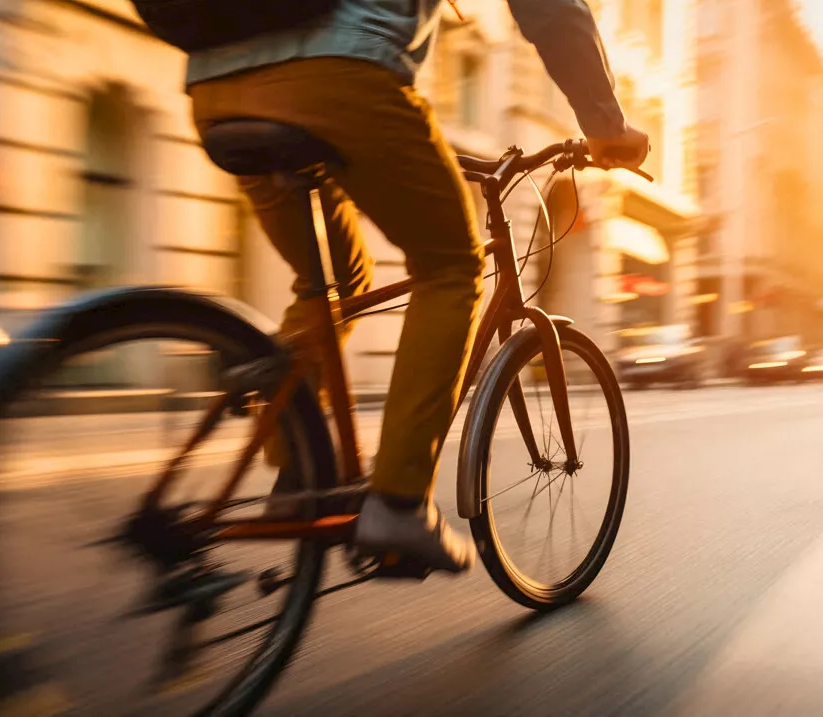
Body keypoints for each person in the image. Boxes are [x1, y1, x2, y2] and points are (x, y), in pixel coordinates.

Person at [186, 0, 650, 573]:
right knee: (452, 267)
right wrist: (606, 124)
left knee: (334, 281)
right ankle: (398, 503)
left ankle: (295, 465)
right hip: (339, 75)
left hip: (213, 86)